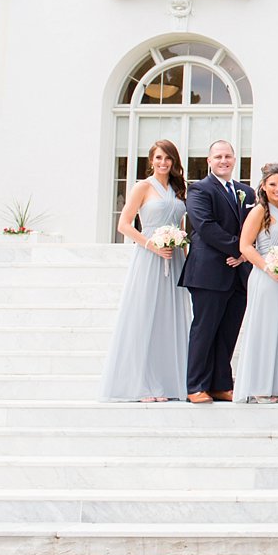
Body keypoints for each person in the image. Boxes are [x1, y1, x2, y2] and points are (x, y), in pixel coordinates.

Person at [98, 139, 190, 402]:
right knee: (144, 316)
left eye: (168, 158)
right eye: (159, 158)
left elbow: (181, 223)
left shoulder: (177, 188)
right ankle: (142, 384)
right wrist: (152, 245)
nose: (163, 163)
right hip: (149, 257)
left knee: (169, 319)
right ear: (151, 160)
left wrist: (181, 251)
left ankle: (167, 383)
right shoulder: (142, 187)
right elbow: (124, 225)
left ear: (174, 161)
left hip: (174, 259)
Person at [178, 139, 254, 404]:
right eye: (218, 156)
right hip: (209, 271)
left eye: (228, 156)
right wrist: (239, 249)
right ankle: (196, 385)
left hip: (239, 273)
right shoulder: (199, 189)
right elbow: (205, 226)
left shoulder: (248, 192)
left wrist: (246, 253)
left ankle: (221, 383)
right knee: (205, 329)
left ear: (235, 160)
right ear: (209, 161)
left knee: (228, 331)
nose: (224, 160)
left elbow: (254, 226)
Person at [234, 163, 278, 404]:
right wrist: (269, 268)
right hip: (265, 278)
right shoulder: (257, 212)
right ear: (263, 186)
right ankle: (260, 387)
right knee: (266, 330)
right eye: (273, 184)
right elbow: (245, 246)